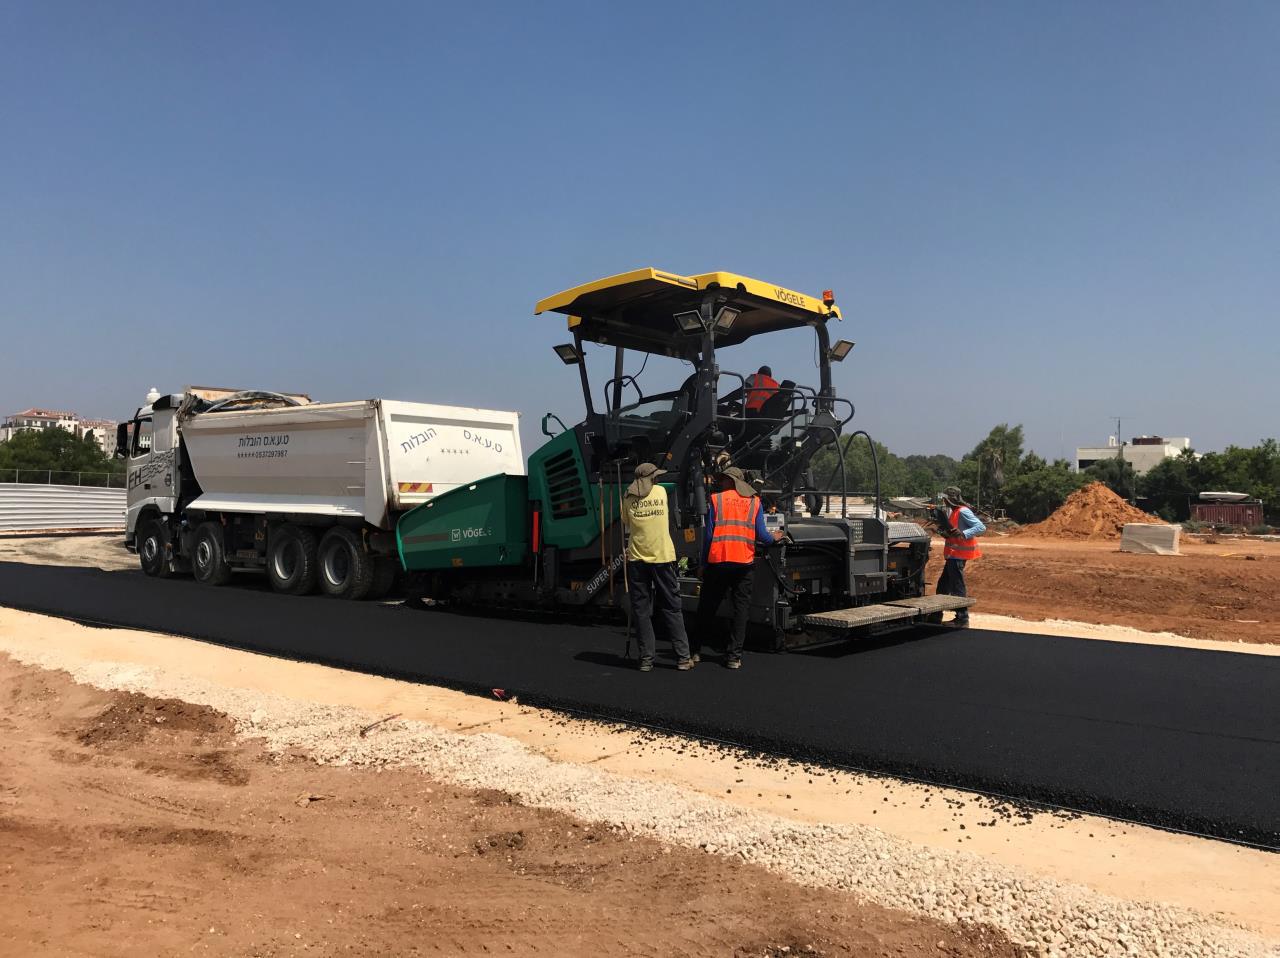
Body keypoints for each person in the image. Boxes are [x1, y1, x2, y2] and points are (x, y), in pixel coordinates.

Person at [694, 466, 783, 669]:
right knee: (741, 609)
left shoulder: (716, 500)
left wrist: (702, 564)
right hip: (743, 563)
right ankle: (734, 656)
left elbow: (708, 536)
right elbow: (762, 534)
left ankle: (695, 650)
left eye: (723, 480)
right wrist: (774, 537)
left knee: (707, 607)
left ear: (730, 481)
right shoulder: (754, 502)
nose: (720, 483)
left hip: (718, 562)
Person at [622, 462, 693, 672]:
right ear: (652, 479)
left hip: (637, 559)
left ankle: (646, 659)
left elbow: (627, 522)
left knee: (642, 611)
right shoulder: (661, 492)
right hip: (662, 558)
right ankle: (682, 658)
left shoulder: (627, 498)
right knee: (672, 607)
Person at [935, 485, 986, 628]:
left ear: (950, 499)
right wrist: (945, 533)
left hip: (958, 556)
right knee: (943, 586)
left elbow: (981, 527)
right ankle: (935, 615)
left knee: (957, 586)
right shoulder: (954, 511)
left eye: (945, 499)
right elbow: (954, 531)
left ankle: (962, 618)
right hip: (953, 555)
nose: (943, 502)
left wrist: (963, 534)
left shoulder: (963, 511)